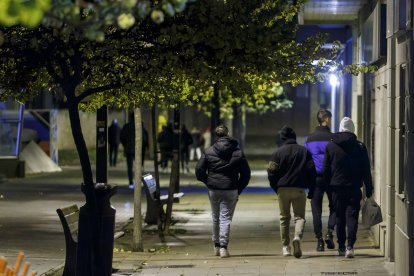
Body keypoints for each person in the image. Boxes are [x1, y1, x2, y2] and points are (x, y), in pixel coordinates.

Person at [195, 125, 251, 258]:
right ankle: (223, 248)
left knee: (216, 217)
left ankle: (216, 245)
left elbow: (199, 170)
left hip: (214, 189)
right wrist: (238, 188)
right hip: (230, 188)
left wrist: (208, 181)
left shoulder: (209, 151)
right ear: (228, 134)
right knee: (225, 218)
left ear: (216, 136)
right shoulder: (237, 152)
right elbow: (246, 174)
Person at [323, 117, 374, 258]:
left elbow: (326, 170)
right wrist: (369, 188)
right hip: (353, 188)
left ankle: (341, 247)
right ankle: (350, 246)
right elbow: (366, 170)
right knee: (352, 217)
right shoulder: (360, 147)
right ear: (353, 129)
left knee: (339, 218)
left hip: (336, 188)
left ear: (340, 128)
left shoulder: (330, 146)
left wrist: (328, 187)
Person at [267, 126, 316, 258]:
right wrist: (311, 189)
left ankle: (285, 247)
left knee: (284, 218)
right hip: (299, 189)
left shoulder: (277, 153)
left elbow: (271, 172)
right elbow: (312, 172)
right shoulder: (304, 152)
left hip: (282, 189)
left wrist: (275, 188)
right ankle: (297, 237)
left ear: (282, 139)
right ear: (294, 137)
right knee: (299, 217)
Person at [304, 109, 336, 251]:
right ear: (327, 119)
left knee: (316, 210)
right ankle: (329, 232)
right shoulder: (333, 138)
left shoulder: (309, 139)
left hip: (315, 179)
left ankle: (319, 241)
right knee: (334, 206)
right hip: (331, 177)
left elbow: (307, 161)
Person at [120, 113, 135, 189]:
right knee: (138, 166)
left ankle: (131, 182)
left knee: (130, 167)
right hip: (136, 149)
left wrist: (125, 145)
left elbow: (121, 137)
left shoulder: (126, 126)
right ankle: (137, 181)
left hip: (128, 149)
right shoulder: (139, 126)